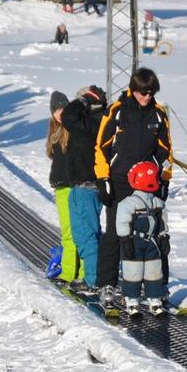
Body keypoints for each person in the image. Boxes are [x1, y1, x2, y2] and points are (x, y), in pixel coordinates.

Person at [94, 68, 173, 309]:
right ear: (133, 89)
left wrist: (165, 179)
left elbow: (166, 152)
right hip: (120, 181)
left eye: (150, 93)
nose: (146, 97)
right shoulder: (117, 111)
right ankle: (107, 283)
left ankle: (157, 285)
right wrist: (103, 179)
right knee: (116, 233)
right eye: (142, 92)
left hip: (147, 182)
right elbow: (101, 147)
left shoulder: (158, 115)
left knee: (154, 233)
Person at [61, 85, 108, 294]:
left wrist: (83, 100)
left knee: (85, 235)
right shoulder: (98, 122)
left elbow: (68, 115)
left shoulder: (91, 122)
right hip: (87, 187)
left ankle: (92, 280)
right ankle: (93, 276)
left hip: (85, 188)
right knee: (90, 234)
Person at [116, 161, 170, 316]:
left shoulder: (157, 203)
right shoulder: (129, 203)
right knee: (134, 271)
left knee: (154, 271)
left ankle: (154, 299)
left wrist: (164, 236)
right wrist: (125, 238)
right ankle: (132, 300)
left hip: (152, 242)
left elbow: (163, 221)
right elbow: (122, 222)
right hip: (133, 241)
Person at [46, 91, 81, 284]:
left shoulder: (70, 130)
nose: (60, 113)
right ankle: (77, 270)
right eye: (57, 110)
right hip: (61, 188)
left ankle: (69, 272)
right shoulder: (55, 130)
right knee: (72, 232)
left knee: (71, 233)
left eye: (63, 109)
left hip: (70, 187)